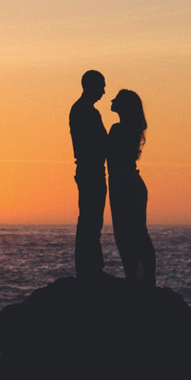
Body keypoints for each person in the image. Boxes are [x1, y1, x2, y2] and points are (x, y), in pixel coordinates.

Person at [107, 88, 156, 287]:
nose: (112, 101)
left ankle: (137, 280)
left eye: (117, 99)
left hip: (123, 185)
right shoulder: (128, 129)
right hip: (130, 184)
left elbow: (106, 152)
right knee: (136, 233)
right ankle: (143, 279)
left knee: (127, 234)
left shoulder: (118, 129)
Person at [69, 69, 108, 277]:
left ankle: (89, 266)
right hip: (90, 171)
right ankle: (89, 268)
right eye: (101, 85)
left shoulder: (83, 110)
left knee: (91, 220)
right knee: (90, 220)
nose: (104, 91)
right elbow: (99, 143)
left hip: (90, 170)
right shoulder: (85, 111)